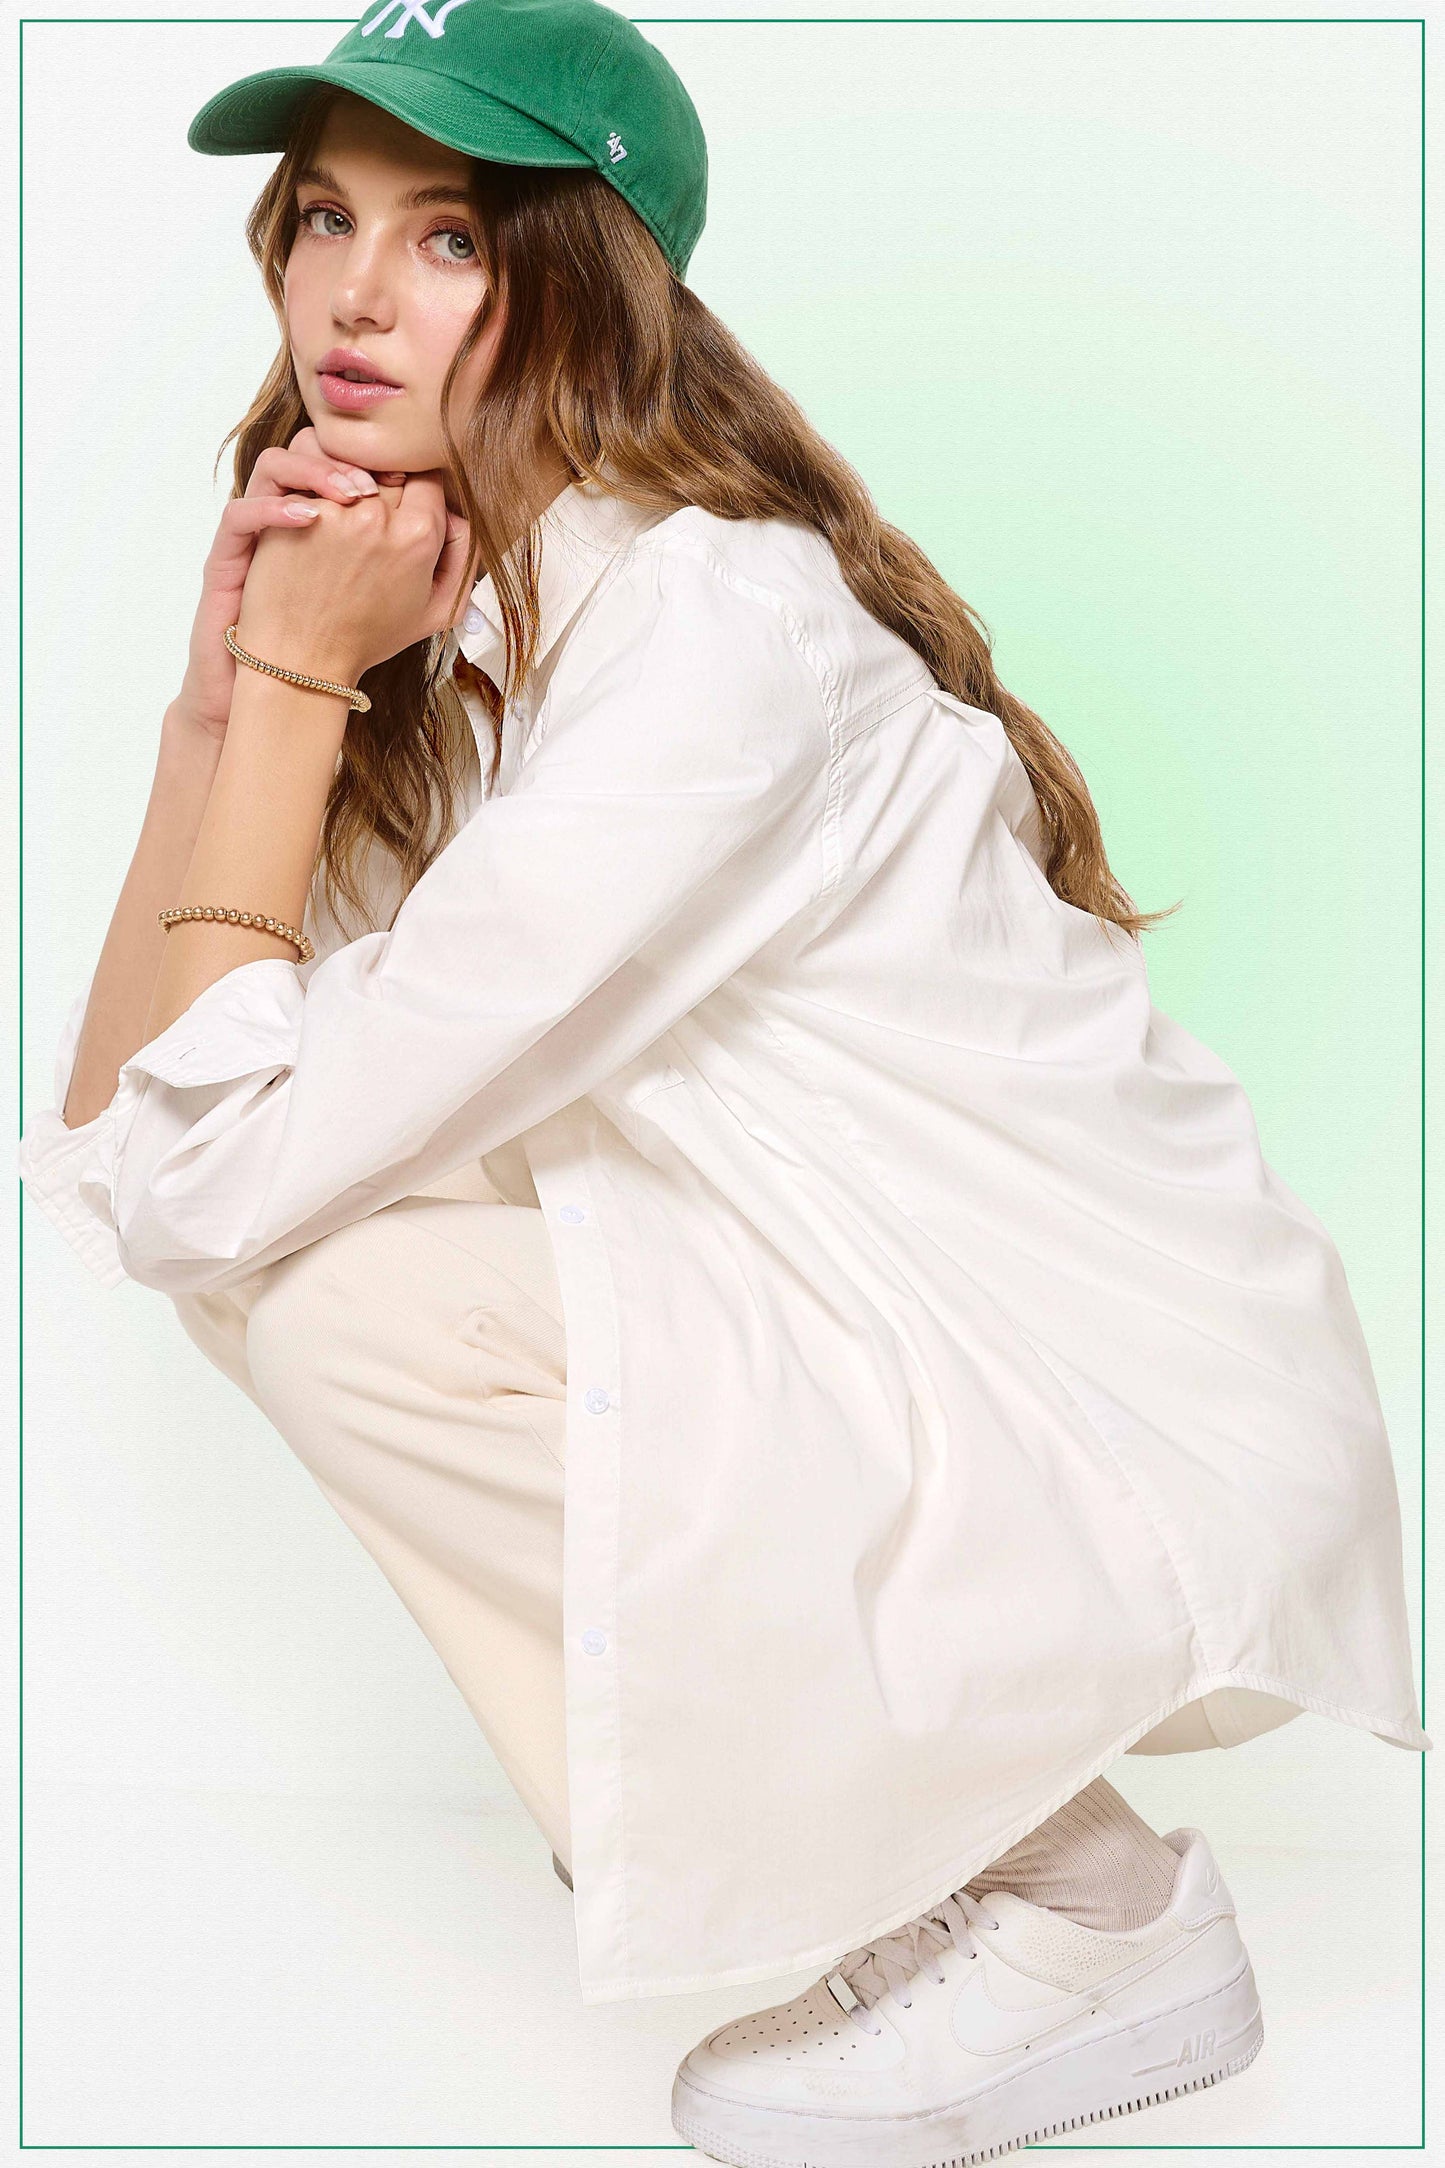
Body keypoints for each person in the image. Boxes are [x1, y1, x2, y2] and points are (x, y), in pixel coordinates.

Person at [18, 0, 1428, 2157]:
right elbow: (136, 1145)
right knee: (301, 1254)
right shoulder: (460, 628)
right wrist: (226, 708)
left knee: (335, 1289)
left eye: (450, 236)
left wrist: (298, 681)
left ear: (585, 282)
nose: (356, 297)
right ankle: (938, 1862)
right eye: (321, 220)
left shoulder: (705, 640)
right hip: (860, 1325)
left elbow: (199, 1182)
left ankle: (1078, 1903)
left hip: (1068, 1393)